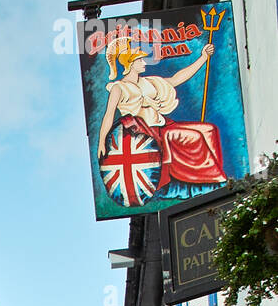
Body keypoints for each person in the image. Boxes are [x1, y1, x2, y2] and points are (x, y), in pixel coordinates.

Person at [96, 39, 226, 193]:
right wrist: (102, 141)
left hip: (164, 125)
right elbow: (109, 114)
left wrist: (203, 57)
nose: (144, 62)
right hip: (147, 133)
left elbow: (176, 79)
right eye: (140, 59)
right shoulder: (119, 88)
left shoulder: (149, 81)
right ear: (130, 63)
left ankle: (220, 181)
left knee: (209, 130)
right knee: (195, 137)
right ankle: (213, 180)